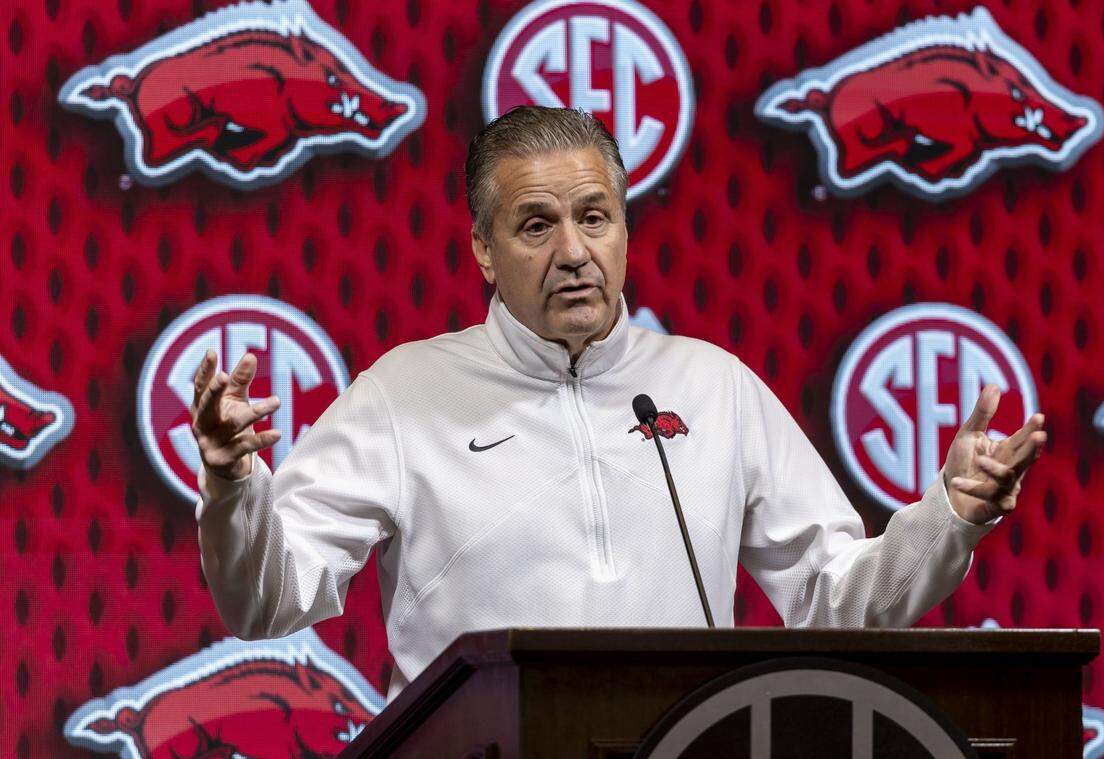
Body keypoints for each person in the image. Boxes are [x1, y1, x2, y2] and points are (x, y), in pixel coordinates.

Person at [192, 106, 1047, 700]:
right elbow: (268, 598)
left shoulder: (714, 386)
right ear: (484, 249)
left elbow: (834, 599)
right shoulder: (403, 393)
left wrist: (947, 520)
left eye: (595, 217)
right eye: (536, 225)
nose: (573, 251)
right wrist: (234, 487)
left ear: (625, 229)